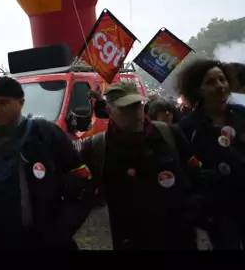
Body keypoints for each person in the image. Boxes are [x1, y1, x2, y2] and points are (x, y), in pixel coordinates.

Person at [0, 76, 94, 250]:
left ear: (21, 102)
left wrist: (60, 232)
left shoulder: (45, 134)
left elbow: (82, 182)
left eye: (4, 103)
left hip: (36, 242)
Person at [79, 81, 202, 250]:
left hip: (178, 238)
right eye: (125, 108)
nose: (135, 113)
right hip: (131, 241)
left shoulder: (169, 134)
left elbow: (197, 175)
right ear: (109, 111)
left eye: (137, 105)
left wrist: (192, 210)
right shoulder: (96, 148)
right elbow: (84, 195)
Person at [176, 59, 245, 250]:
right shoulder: (188, 127)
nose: (219, 86)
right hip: (218, 210)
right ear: (197, 89)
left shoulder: (241, 115)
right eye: (210, 82)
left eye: (222, 79)